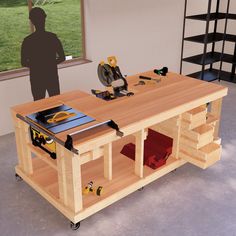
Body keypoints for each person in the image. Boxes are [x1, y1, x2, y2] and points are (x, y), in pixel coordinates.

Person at [21, 7, 65, 101]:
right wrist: (51, 64)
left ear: (32, 21)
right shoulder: (52, 38)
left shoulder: (28, 41)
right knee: (56, 102)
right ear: (44, 19)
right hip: (51, 74)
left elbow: (23, 62)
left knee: (39, 104)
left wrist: (37, 65)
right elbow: (62, 57)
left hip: (36, 76)